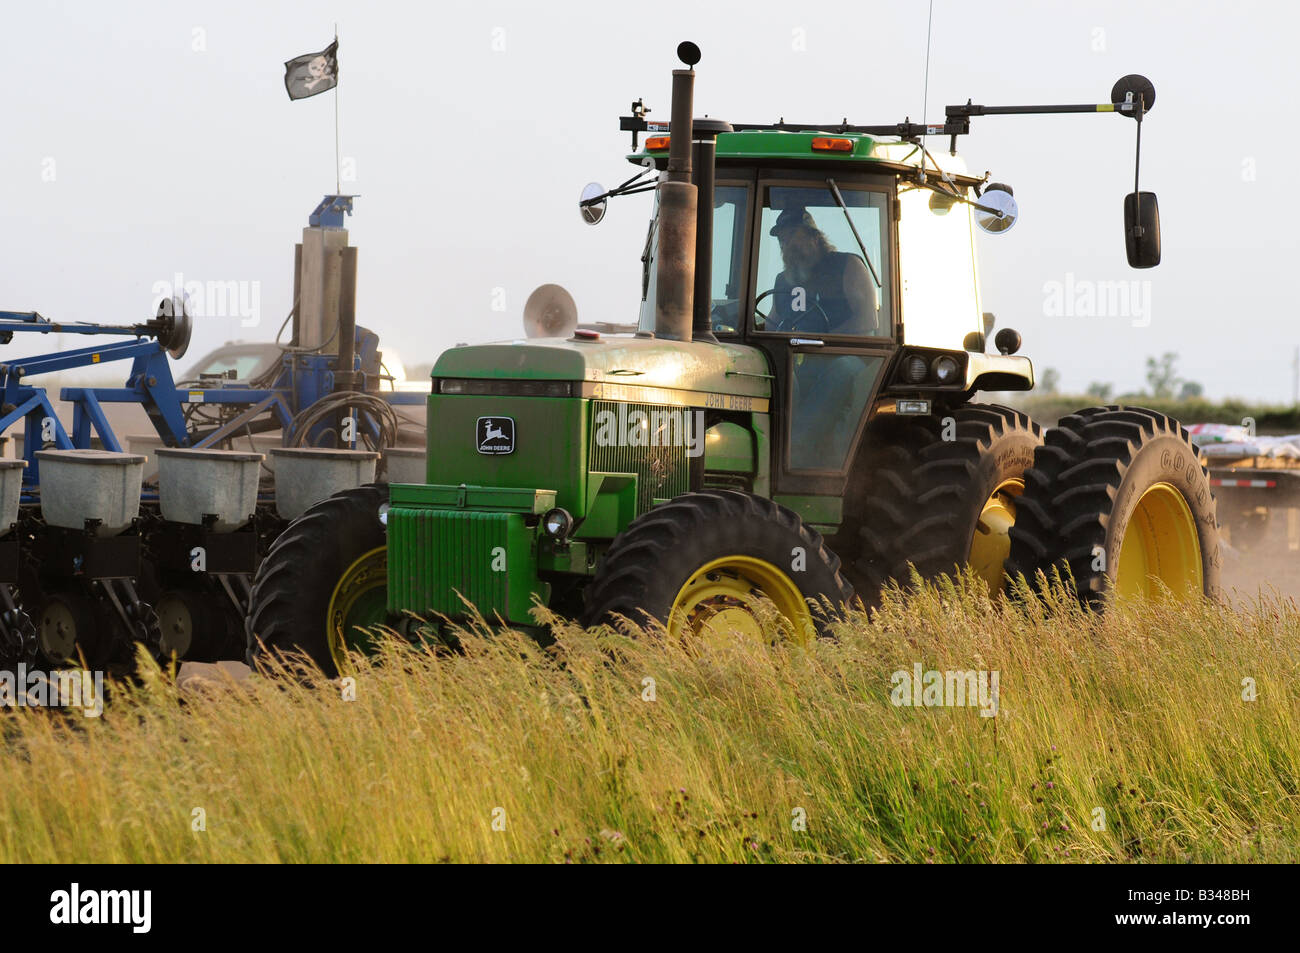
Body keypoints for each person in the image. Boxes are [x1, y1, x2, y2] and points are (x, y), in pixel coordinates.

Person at [767, 208, 879, 336]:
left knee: (846, 358)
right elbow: (771, 324)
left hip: (839, 352)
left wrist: (821, 340)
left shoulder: (847, 265)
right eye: (782, 238)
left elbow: (868, 320)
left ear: (814, 237)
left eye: (792, 233)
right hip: (793, 353)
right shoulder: (783, 280)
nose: (786, 242)